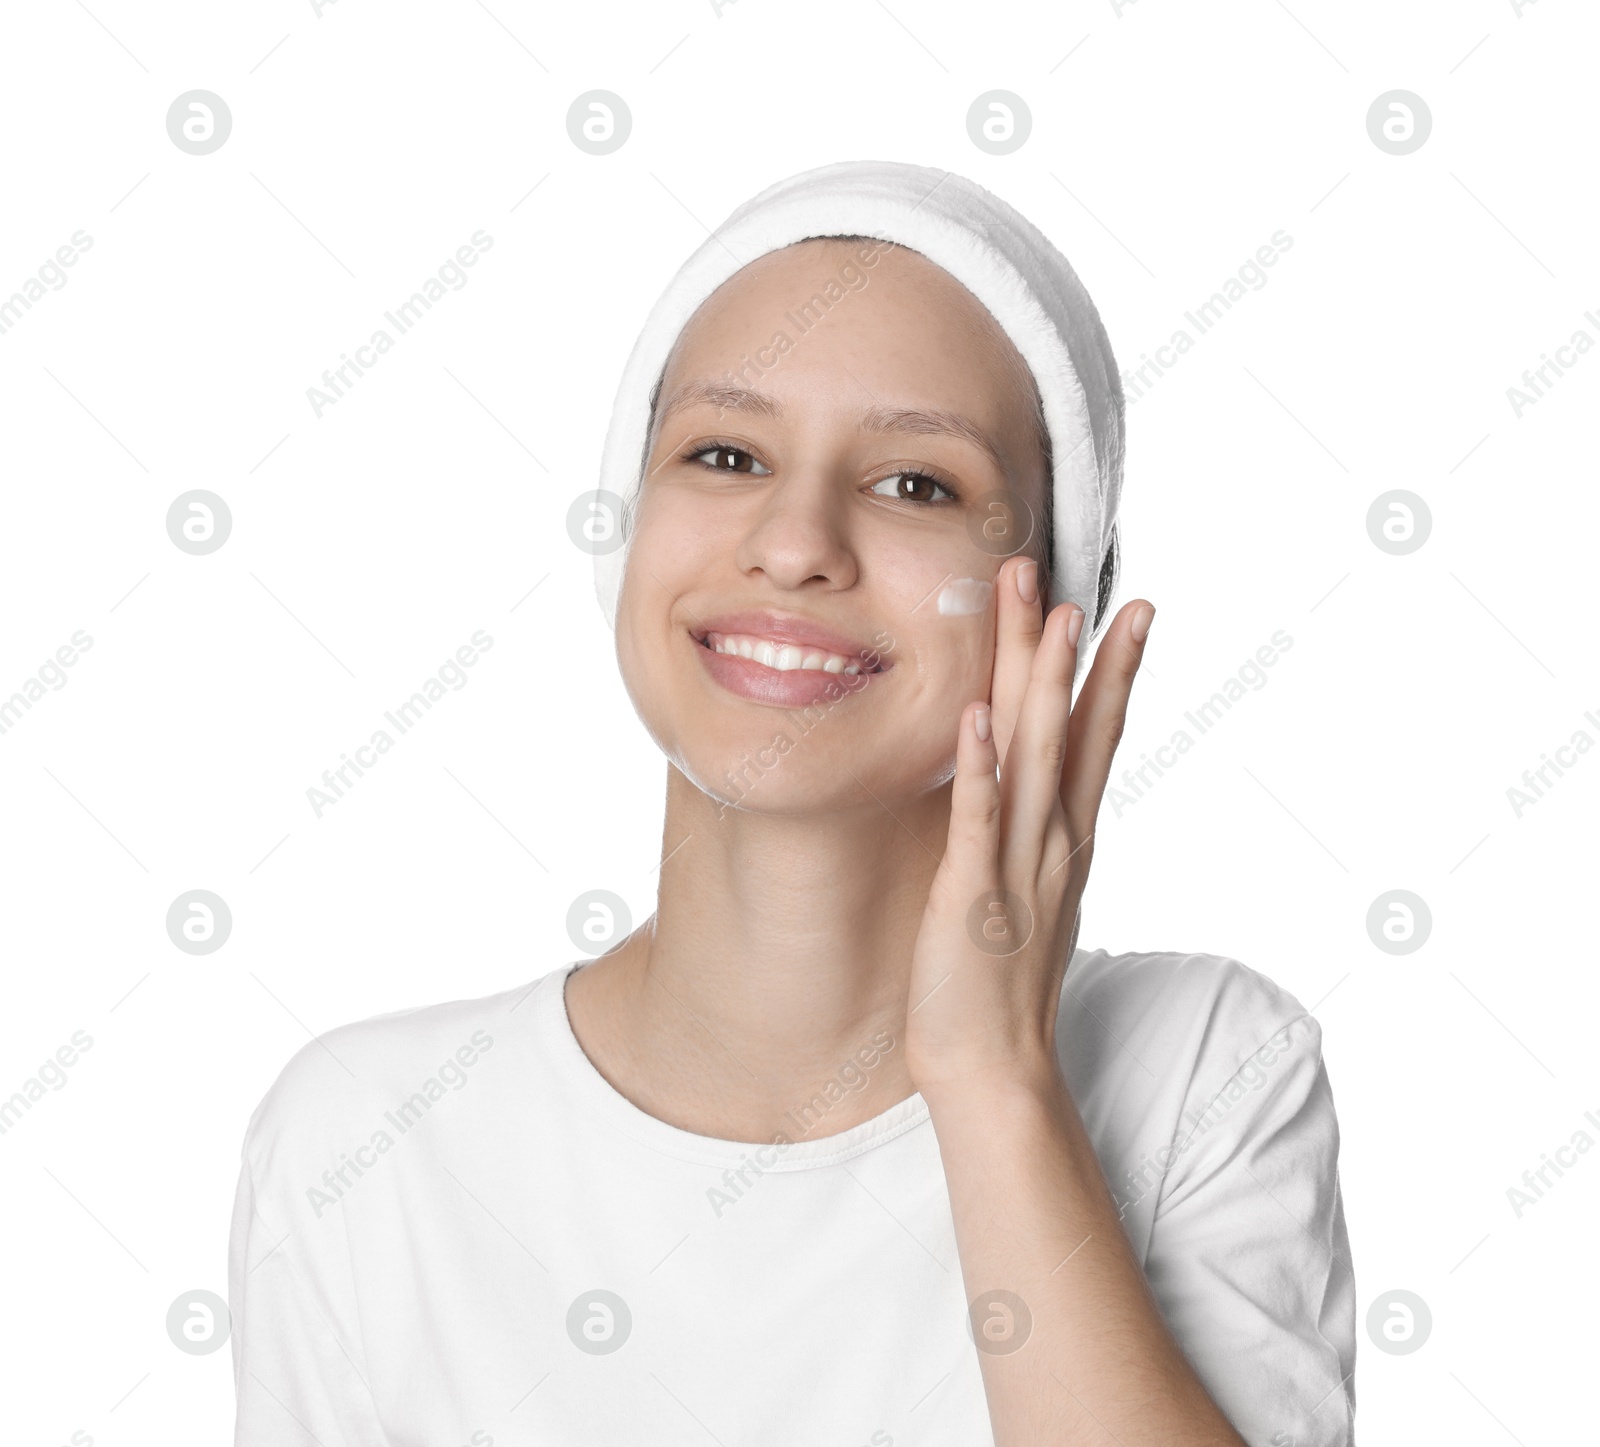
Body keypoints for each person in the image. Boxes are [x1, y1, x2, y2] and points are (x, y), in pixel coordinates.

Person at [229, 160, 1356, 1447]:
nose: (794, 538)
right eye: (725, 454)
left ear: (1056, 606)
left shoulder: (1203, 1070)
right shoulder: (363, 1140)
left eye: (915, 483)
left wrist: (991, 1082)